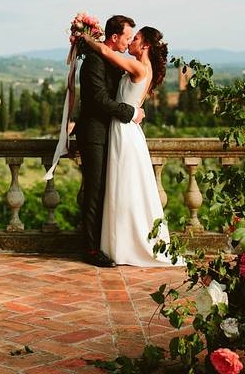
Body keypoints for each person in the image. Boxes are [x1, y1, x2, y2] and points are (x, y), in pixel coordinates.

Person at [83, 25, 184, 268]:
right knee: (121, 189)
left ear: (146, 45)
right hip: (121, 129)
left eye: (135, 38)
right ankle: (118, 244)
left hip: (124, 131)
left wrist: (85, 38)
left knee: (124, 188)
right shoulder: (140, 67)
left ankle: (124, 245)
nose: (131, 42)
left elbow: (107, 54)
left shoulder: (139, 67)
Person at [75, 15, 145, 267]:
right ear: (114, 37)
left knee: (108, 189)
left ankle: (106, 243)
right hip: (94, 134)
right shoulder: (94, 62)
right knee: (94, 191)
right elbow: (99, 101)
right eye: (127, 37)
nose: (128, 42)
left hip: (113, 136)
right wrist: (132, 113)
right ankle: (91, 250)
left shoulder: (111, 60)